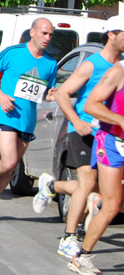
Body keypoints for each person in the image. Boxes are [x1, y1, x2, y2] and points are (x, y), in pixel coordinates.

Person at [32, 16, 124, 259]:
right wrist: (76, 121)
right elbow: (63, 93)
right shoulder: (91, 65)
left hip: (109, 134)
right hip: (83, 130)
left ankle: (51, 185)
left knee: (96, 188)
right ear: (111, 35)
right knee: (86, 184)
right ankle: (69, 237)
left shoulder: (121, 66)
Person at [0, 18, 57, 224]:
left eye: (51, 34)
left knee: (11, 167)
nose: (47, 38)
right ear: (32, 33)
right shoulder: (13, 53)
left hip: (27, 121)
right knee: (8, 161)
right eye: (44, 33)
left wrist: (50, 96)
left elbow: (44, 93)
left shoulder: (50, 63)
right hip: (6, 114)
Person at [67, 54, 124, 274]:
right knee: (112, 206)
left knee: (116, 203)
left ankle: (97, 200)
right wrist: (119, 120)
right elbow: (91, 104)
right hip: (110, 142)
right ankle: (81, 257)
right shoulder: (118, 71)